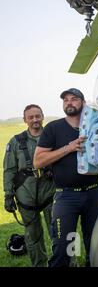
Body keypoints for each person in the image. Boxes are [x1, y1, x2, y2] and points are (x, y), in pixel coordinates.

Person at [33, 88, 98, 267]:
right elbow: (38, 161)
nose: (69, 103)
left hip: (94, 193)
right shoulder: (53, 128)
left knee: (96, 244)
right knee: (63, 246)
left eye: (74, 99)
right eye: (65, 100)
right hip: (66, 196)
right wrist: (69, 147)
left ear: (83, 102)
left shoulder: (96, 126)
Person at [3, 104, 55, 267]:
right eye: (31, 117)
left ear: (42, 117)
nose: (35, 120)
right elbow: (9, 170)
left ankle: (67, 262)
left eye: (37, 116)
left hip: (51, 194)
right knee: (33, 237)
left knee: (61, 233)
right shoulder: (16, 141)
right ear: (25, 120)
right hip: (25, 196)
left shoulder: (53, 137)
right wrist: (8, 195)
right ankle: (39, 264)